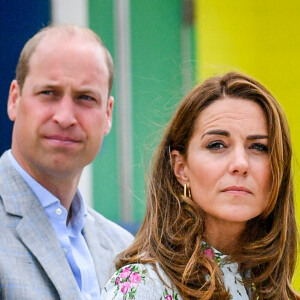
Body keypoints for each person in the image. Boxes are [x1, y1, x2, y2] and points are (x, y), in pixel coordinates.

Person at [100, 72, 300, 299]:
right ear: (181, 168)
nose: (241, 164)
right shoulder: (145, 285)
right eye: (217, 145)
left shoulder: (273, 290)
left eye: (258, 147)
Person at [0, 24, 133, 299]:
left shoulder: (125, 250)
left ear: (108, 114)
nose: (65, 117)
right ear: (15, 99)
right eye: (49, 93)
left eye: (85, 98)